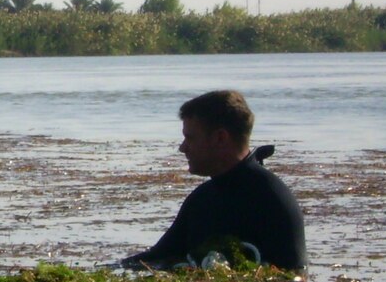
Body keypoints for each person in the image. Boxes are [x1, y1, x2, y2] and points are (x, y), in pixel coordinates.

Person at [119, 90, 307, 272]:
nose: (182, 148)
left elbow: (294, 279)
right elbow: (157, 257)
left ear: (220, 138)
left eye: (190, 138)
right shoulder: (201, 199)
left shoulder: (272, 200)